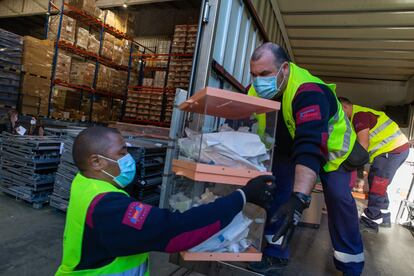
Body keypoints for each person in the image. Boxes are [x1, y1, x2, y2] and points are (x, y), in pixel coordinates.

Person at [56, 126, 276, 275]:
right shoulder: (106, 206)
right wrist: (242, 196)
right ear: (96, 162)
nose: (129, 158)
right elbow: (174, 231)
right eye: (122, 152)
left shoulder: (85, 183)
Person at [246, 43, 365, 276]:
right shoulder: (254, 91)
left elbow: (310, 146)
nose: (258, 81)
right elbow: (237, 115)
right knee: (278, 194)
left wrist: (300, 198)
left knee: (339, 200)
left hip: (332, 154)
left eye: (264, 74)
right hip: (286, 148)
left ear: (285, 69)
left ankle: (351, 265)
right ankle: (275, 253)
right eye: (253, 74)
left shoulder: (309, 91)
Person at [339, 97, 409, 233]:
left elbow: (363, 144)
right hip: (395, 149)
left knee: (378, 182)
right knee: (377, 180)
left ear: (345, 107)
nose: (339, 115)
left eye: (339, 111)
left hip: (392, 149)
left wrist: (352, 166)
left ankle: (370, 219)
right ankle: (384, 216)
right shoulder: (358, 115)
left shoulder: (359, 116)